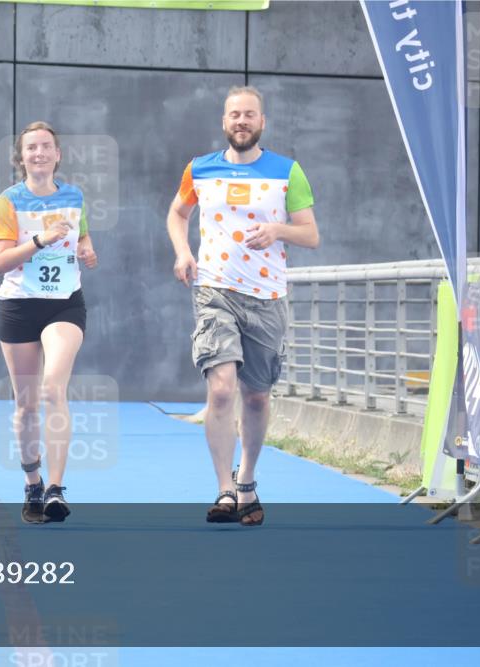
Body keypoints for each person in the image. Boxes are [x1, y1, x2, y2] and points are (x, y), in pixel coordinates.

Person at [166, 85, 319, 526]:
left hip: (267, 298)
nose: (241, 122)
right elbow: (178, 214)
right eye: (234, 114)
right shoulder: (200, 169)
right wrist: (183, 251)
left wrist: (278, 230)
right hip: (215, 290)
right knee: (220, 389)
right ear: (223, 121)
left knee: (255, 397)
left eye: (249, 115)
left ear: (262, 122)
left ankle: (247, 479)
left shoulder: (287, 171)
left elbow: (310, 234)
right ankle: (224, 491)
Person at [0, 121, 98, 524]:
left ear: (58, 155)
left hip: (63, 305)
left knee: (54, 387)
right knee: (26, 405)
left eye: (45, 147)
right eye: (31, 148)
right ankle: (32, 480)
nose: (38, 153)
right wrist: (39, 241)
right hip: (19, 305)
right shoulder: (9, 201)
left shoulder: (74, 196)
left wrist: (86, 251)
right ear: (21, 158)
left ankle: (55, 488)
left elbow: (82, 238)